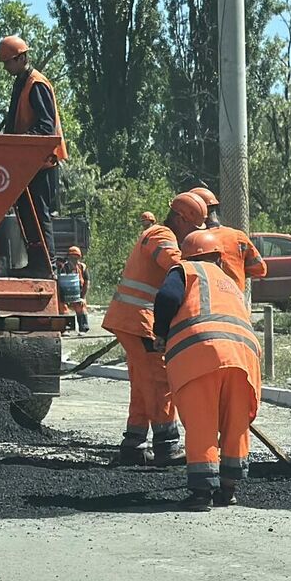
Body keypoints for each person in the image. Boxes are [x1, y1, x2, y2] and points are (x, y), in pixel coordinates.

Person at [154, 230, 263, 511]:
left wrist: (160, 333)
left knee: (202, 422)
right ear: (218, 257)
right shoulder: (229, 282)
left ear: (187, 254)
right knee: (234, 422)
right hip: (244, 355)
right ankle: (228, 489)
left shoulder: (184, 270)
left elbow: (167, 298)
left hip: (201, 354)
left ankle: (201, 492)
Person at [101, 192, 207, 466]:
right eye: (194, 230)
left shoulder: (160, 234)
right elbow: (176, 265)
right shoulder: (161, 235)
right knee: (160, 382)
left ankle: (134, 444)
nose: (193, 236)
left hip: (133, 320)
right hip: (140, 321)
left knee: (143, 383)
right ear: (181, 219)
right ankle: (167, 445)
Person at [0, 35, 67, 277]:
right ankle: (36, 263)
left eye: (9, 62)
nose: (6, 68)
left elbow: (46, 127)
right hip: (27, 164)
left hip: (41, 163)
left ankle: (47, 266)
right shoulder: (22, 82)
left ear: (22, 58)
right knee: (27, 213)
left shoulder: (36, 84)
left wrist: (19, 143)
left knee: (39, 214)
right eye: (4, 63)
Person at [188, 185, 267, 298]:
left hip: (209, 301)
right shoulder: (238, 236)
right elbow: (260, 268)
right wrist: (236, 272)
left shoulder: (194, 241)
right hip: (237, 300)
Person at [58, 244, 89, 333]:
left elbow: (87, 283)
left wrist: (83, 297)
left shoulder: (82, 267)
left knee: (81, 306)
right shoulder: (63, 267)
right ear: (68, 257)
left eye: (76, 258)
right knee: (63, 308)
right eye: (72, 258)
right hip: (65, 294)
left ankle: (83, 328)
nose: (74, 260)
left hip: (78, 294)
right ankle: (66, 329)